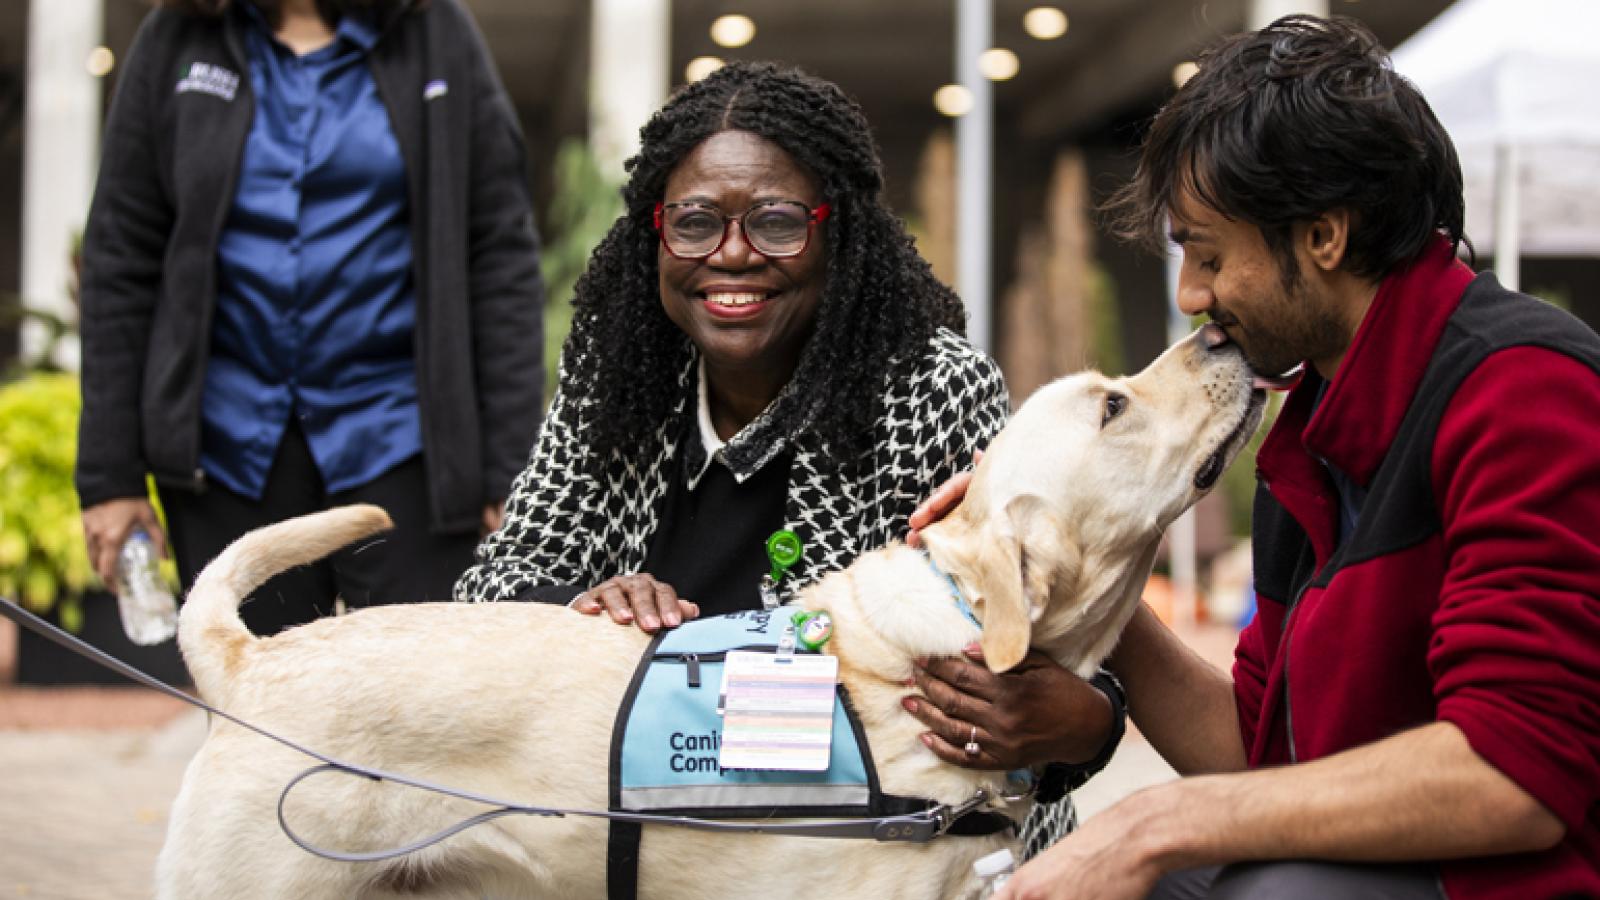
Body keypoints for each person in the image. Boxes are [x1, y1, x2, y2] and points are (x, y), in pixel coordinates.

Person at [917, 14, 1597, 900]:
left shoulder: (1525, 391)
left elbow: (1513, 773)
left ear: (1323, 235)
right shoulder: (1311, 419)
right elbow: (1260, 749)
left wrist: (1156, 823)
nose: (1192, 295)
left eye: (1208, 255)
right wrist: (1083, 558)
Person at [454, 61, 1123, 856]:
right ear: (656, 232)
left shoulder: (930, 386)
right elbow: (492, 584)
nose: (732, 255)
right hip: (662, 841)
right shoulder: (616, 376)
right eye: (696, 222)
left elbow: (1030, 643)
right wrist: (582, 605)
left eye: (776, 222)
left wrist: (1096, 718)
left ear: (834, 234)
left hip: (892, 850)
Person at [75, 0, 543, 636]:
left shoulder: (437, 33)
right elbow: (119, 258)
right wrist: (110, 477)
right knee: (257, 718)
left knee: (416, 710)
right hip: (228, 451)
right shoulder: (177, 37)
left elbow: (500, 253)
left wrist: (511, 467)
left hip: (405, 442)